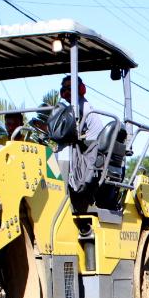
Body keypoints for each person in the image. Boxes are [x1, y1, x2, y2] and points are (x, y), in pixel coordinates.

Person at [48, 75, 107, 208]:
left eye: (70, 88)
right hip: (85, 150)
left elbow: (68, 135)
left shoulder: (80, 108)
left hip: (89, 153)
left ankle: (60, 198)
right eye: (65, 89)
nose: (67, 92)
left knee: (56, 155)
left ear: (80, 89)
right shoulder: (75, 107)